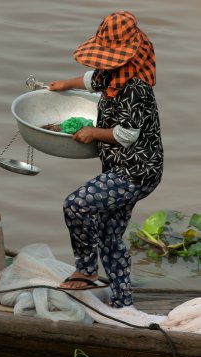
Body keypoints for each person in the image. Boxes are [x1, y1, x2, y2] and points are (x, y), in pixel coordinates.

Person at [47, 10, 163, 308]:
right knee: (111, 236)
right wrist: (64, 84)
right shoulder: (114, 73)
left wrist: (93, 133)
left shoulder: (136, 88)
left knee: (77, 204)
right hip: (120, 168)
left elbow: (127, 135)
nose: (102, 64)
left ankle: (86, 268)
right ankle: (123, 302)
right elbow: (91, 79)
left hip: (136, 172)